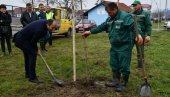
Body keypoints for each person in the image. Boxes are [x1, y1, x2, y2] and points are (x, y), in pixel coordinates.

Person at [82, 3, 143, 92]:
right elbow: (101, 27)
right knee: (114, 63)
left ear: (115, 9)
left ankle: (124, 83)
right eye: (108, 13)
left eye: (110, 12)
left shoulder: (125, 17)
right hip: (114, 46)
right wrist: (90, 32)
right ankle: (115, 81)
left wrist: (139, 35)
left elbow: (135, 26)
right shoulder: (110, 19)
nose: (109, 14)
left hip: (125, 45)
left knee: (124, 66)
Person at [13, 19, 57, 83]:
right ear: (48, 25)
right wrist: (36, 51)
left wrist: (35, 49)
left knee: (28, 56)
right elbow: (33, 42)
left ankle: (28, 74)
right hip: (21, 40)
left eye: (54, 27)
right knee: (32, 55)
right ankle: (32, 78)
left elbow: (33, 40)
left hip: (24, 39)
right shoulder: (41, 30)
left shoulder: (44, 22)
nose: (53, 29)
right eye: (52, 27)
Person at [131, 0, 152, 68]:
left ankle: (140, 65)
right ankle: (126, 64)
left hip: (141, 34)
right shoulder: (131, 13)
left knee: (140, 51)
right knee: (127, 49)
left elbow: (148, 25)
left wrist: (148, 35)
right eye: (133, 5)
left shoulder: (145, 14)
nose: (134, 7)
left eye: (135, 5)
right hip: (131, 35)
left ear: (140, 5)